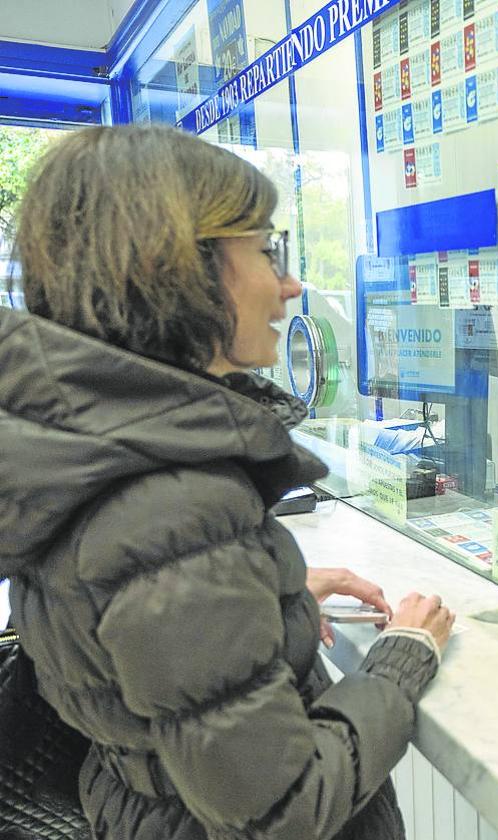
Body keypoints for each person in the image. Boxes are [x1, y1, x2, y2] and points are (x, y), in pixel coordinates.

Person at [0, 124, 454, 839]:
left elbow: (133, 642)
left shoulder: (81, 448)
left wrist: (259, 606)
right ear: (181, 267)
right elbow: (281, 809)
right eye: (266, 251)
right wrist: (401, 659)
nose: (291, 283)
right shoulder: (169, 501)